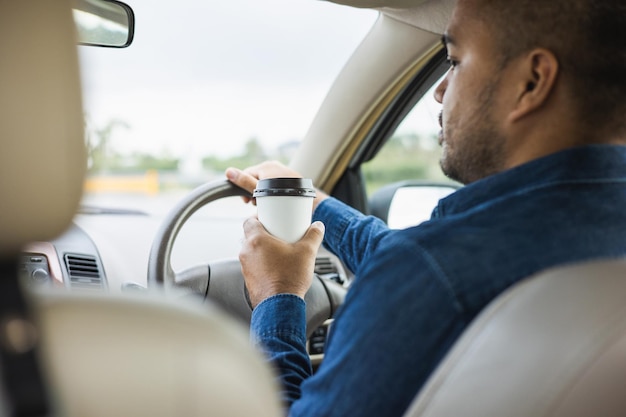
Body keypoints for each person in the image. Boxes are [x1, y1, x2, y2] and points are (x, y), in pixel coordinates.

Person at [225, 0, 626, 415]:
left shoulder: (431, 277)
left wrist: (278, 295)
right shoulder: (576, 237)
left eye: (454, 61)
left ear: (531, 81)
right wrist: (316, 205)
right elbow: (431, 263)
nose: (439, 90)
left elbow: (429, 270)